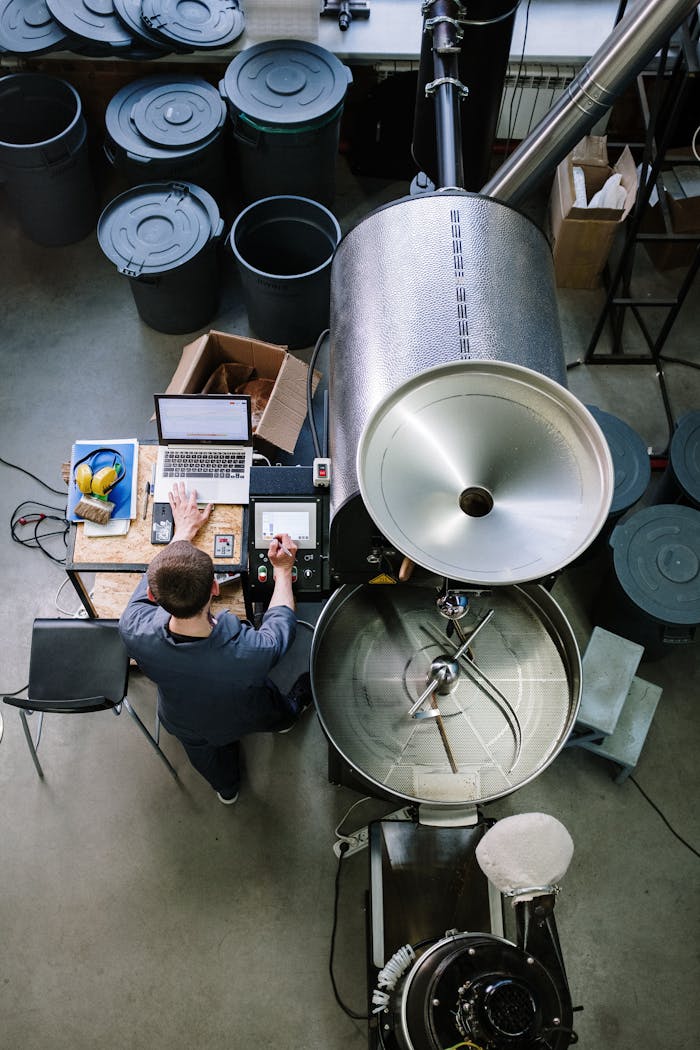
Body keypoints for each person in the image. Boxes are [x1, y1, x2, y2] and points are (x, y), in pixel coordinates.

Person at [119, 482, 312, 805]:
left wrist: (182, 533)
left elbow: (159, 574)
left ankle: (228, 790)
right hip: (248, 712)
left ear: (152, 596)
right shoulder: (250, 653)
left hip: (186, 722)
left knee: (212, 764)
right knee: (278, 712)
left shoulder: (133, 627)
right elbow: (280, 624)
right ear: (214, 588)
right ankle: (287, 720)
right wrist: (282, 571)